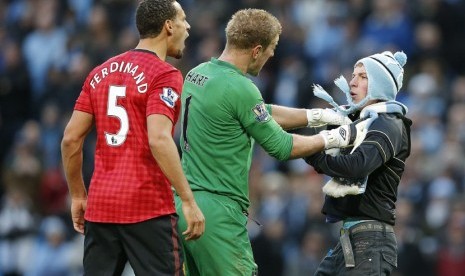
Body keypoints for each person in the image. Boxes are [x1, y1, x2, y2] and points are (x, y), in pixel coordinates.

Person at [174, 9, 365, 276]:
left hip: (186, 207)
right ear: (257, 49)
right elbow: (282, 147)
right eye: (271, 49)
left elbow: (256, 112)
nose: (272, 55)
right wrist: (333, 137)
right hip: (218, 213)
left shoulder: (198, 74)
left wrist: (317, 116)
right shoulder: (241, 88)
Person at [60, 1, 205, 275]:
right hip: (148, 208)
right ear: (168, 26)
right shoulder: (164, 75)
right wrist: (187, 199)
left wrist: (78, 195)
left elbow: (70, 139)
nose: (188, 26)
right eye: (183, 19)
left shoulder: (99, 73)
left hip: (101, 207)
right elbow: (159, 139)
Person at [304, 50, 412, 275]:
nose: (352, 81)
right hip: (351, 239)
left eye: (363, 76)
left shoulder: (388, 123)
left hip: (370, 241)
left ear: (381, 84)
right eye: (353, 75)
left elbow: (356, 166)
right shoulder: (359, 122)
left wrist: (311, 151)